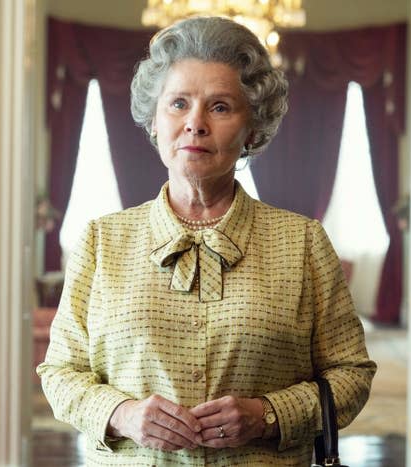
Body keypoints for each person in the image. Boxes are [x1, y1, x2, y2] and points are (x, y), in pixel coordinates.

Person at [37, 16, 376, 466]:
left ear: (251, 130)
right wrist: (122, 413)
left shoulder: (304, 242)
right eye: (178, 103)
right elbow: (60, 373)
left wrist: (267, 415)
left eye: (219, 107)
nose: (195, 123)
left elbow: (351, 376)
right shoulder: (102, 240)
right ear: (155, 122)